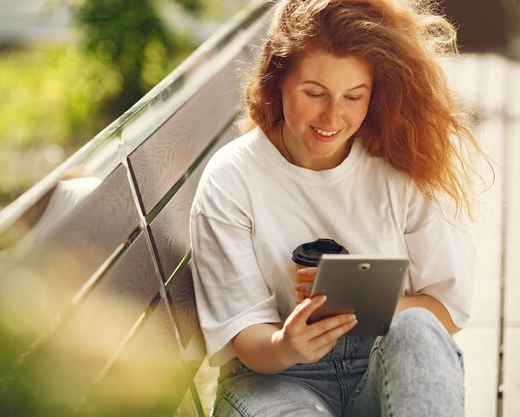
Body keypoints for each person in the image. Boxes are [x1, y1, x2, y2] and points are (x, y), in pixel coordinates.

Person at [189, 0, 490, 416]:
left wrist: (357, 309)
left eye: (354, 96)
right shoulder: (232, 178)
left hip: (380, 370)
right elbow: (247, 340)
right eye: (314, 93)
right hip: (275, 380)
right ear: (277, 82)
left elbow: (445, 311)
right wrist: (286, 344)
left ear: (375, 92)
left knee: (418, 329)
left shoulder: (404, 163)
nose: (333, 115)